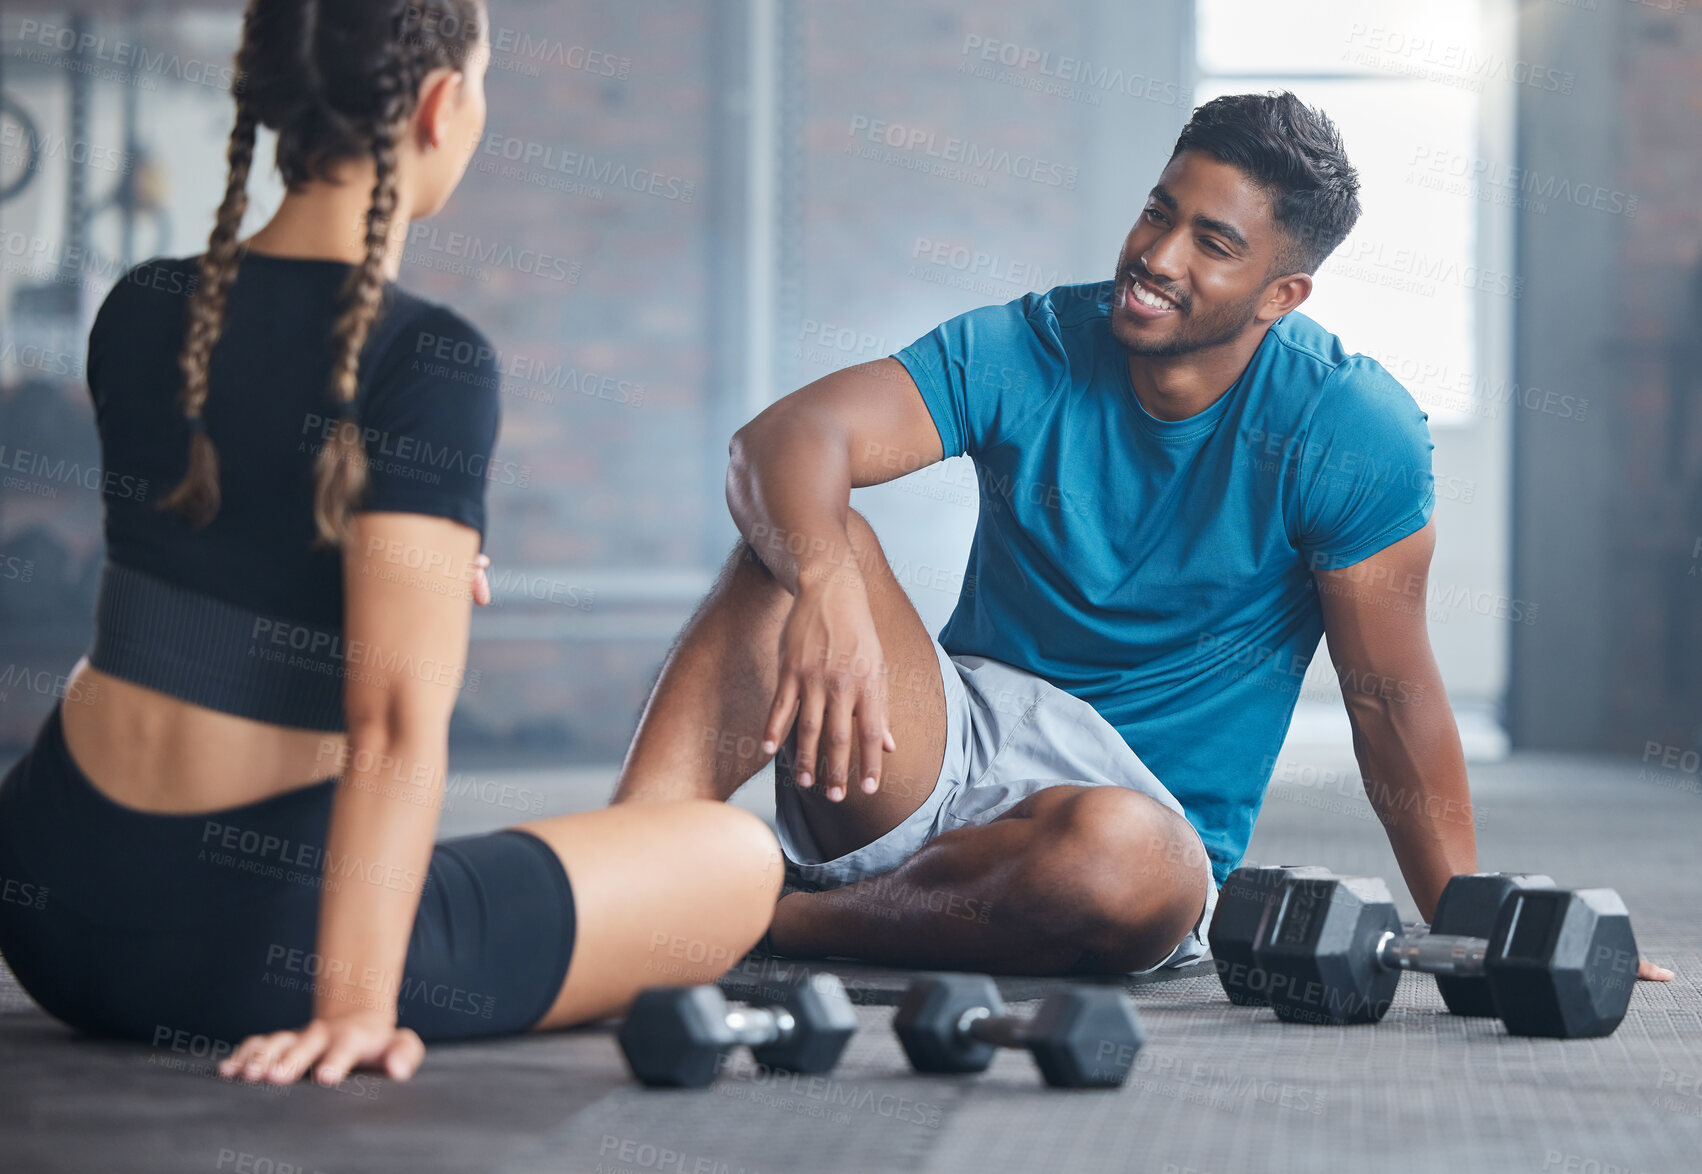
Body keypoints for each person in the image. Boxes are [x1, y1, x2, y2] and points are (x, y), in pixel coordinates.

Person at [611, 91, 1674, 983]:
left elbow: (1388, 700)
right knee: (798, 537)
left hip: (1135, 828)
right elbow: (783, 439)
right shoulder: (1034, 342)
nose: (1155, 256)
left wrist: (1474, 928)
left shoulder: (1349, 427)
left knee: (1126, 865)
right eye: (1158, 212)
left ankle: (758, 921)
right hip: (943, 746)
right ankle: (618, 877)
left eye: (1211, 243)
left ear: (1280, 293)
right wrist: (829, 582)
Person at [0, 0, 780, 1090]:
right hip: (234, 957)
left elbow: (214, 569)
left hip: (45, 899)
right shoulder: (429, 360)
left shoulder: (141, 306)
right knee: (736, 858)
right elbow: (395, 722)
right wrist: (354, 1007)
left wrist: (385, 577)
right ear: (439, 104)